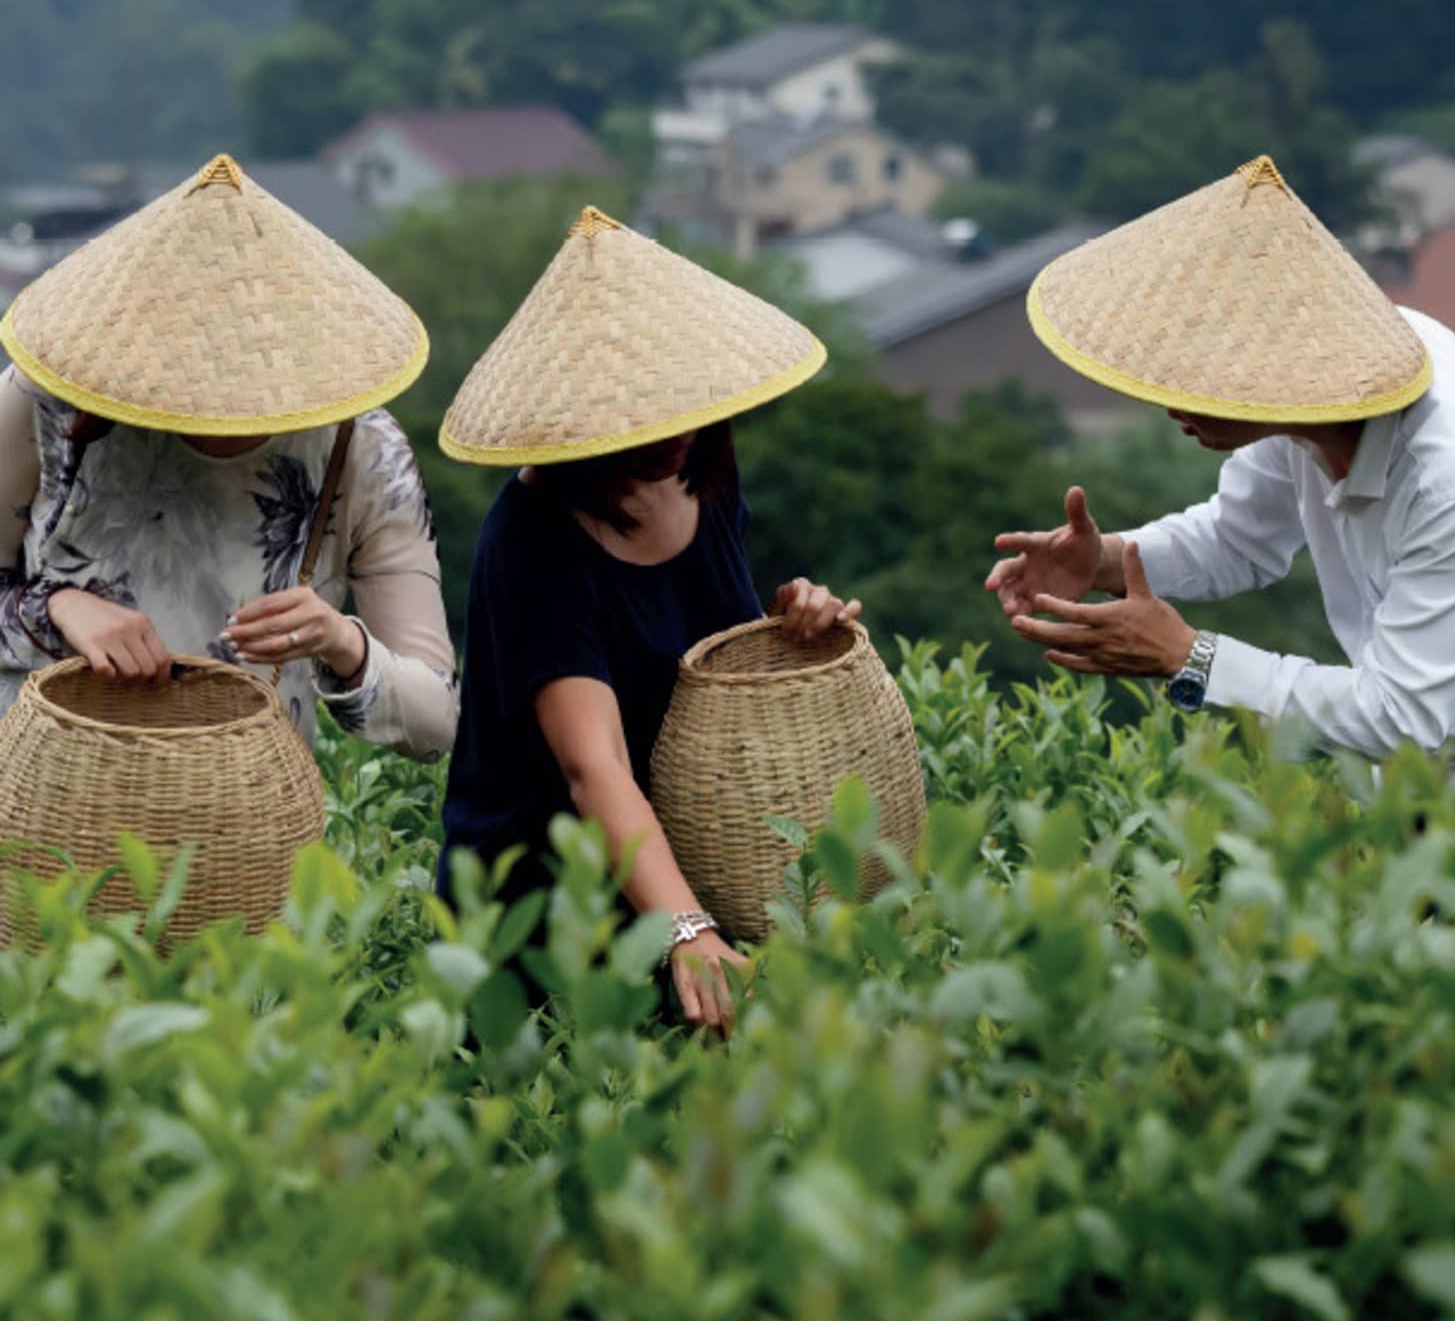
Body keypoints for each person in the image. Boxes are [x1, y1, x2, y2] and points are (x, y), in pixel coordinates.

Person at [438, 207, 859, 1035]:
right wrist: (684, 927)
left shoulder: (706, 476)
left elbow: (707, 671)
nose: (674, 434)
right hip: (545, 916)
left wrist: (793, 624)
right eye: (643, 416)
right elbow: (592, 764)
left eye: (683, 404)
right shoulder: (534, 537)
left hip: (684, 874)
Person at [988, 154, 1455, 794]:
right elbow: (1239, 538)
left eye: (1196, 380)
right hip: (1414, 778)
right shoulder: (1317, 386)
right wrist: (1104, 561)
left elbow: (1400, 713)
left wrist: (1190, 656)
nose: (1172, 403)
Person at [0, 154, 457, 761]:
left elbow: (437, 724)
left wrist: (342, 642)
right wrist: (55, 606)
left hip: (242, 822)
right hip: (43, 800)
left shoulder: (364, 451)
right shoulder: (47, 399)